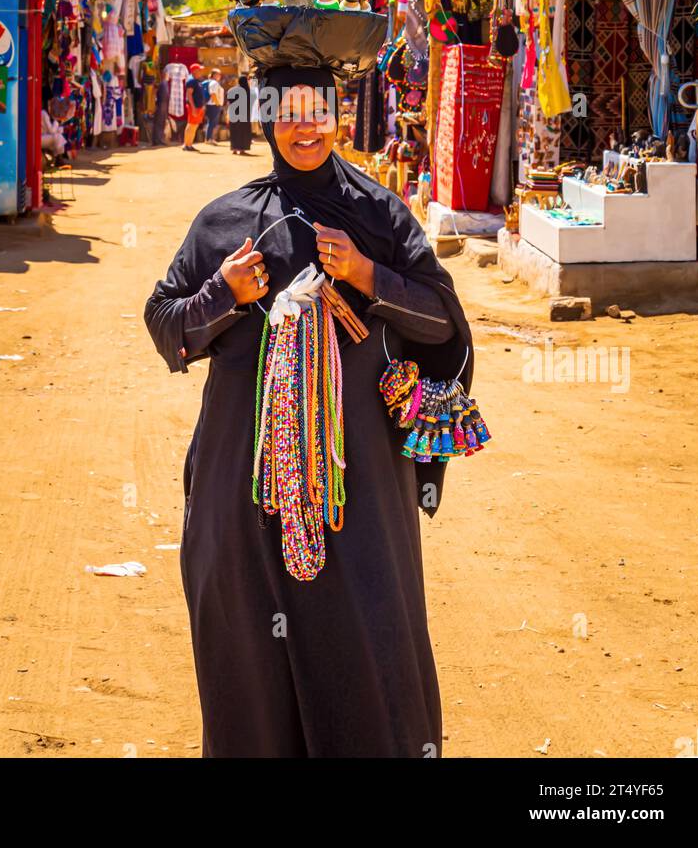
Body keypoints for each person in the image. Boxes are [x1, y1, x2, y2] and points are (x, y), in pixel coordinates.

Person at [144, 65, 473, 758]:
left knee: (364, 642)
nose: (305, 128)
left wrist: (366, 275)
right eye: (288, 112)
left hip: (355, 491)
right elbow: (166, 325)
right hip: (244, 484)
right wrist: (221, 294)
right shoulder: (224, 220)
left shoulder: (379, 215)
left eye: (318, 111)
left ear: (340, 117)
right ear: (265, 119)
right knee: (245, 653)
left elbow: (443, 321)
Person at [182, 62, 206, 152]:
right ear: (195, 71)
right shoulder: (191, 80)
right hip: (194, 106)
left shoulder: (197, 80)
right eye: (199, 70)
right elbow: (189, 95)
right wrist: (193, 108)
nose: (201, 71)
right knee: (191, 125)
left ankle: (189, 144)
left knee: (194, 126)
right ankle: (186, 145)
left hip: (198, 107)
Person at [228, 73, 252, 155]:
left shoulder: (233, 90)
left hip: (233, 114)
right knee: (244, 132)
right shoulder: (247, 91)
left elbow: (229, 102)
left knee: (234, 130)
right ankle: (242, 149)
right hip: (244, 115)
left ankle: (234, 148)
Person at [203, 68, 225, 144]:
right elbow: (213, 94)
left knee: (212, 122)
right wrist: (217, 103)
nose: (220, 76)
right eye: (219, 74)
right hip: (213, 105)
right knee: (212, 122)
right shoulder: (214, 83)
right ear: (215, 75)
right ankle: (208, 139)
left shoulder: (211, 82)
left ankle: (210, 138)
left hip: (211, 105)